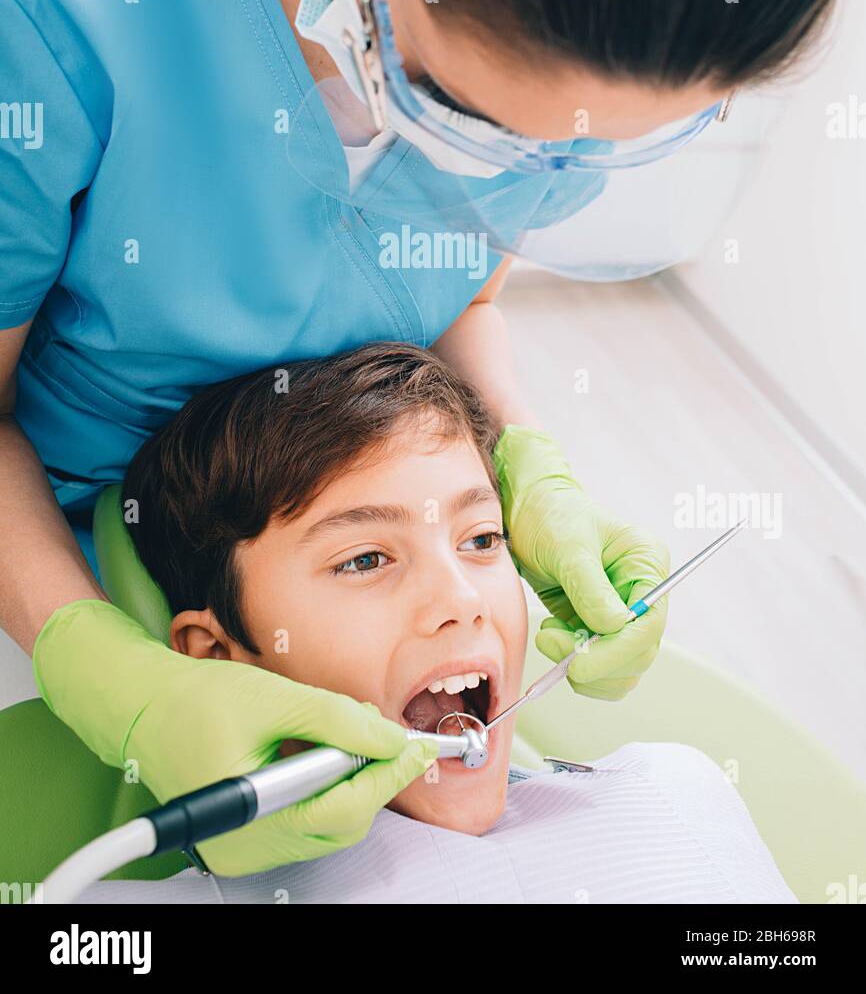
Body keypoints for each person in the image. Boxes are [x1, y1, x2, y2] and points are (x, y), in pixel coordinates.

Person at [3, 0, 866, 876]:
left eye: (584, 145)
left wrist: (518, 468)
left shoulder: (614, 5)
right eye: (457, 110)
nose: (522, 172)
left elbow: (443, 277)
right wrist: (99, 664)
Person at [72, 341, 796, 903]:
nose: (463, 599)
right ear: (218, 657)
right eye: (364, 560)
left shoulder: (672, 790)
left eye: (482, 540)